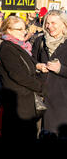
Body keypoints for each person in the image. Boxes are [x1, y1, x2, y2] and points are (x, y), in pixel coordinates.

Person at [0, 16, 46, 139]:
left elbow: (28, 63)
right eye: (19, 29)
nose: (24, 32)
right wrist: (41, 87)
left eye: (25, 28)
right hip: (18, 104)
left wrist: (37, 66)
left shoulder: (21, 45)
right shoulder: (7, 47)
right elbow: (18, 75)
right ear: (9, 30)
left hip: (26, 101)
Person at [32, 10, 67, 138]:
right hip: (41, 98)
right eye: (47, 23)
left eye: (53, 23)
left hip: (62, 101)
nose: (49, 26)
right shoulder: (40, 40)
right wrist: (38, 66)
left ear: (63, 25)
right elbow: (31, 61)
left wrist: (60, 69)